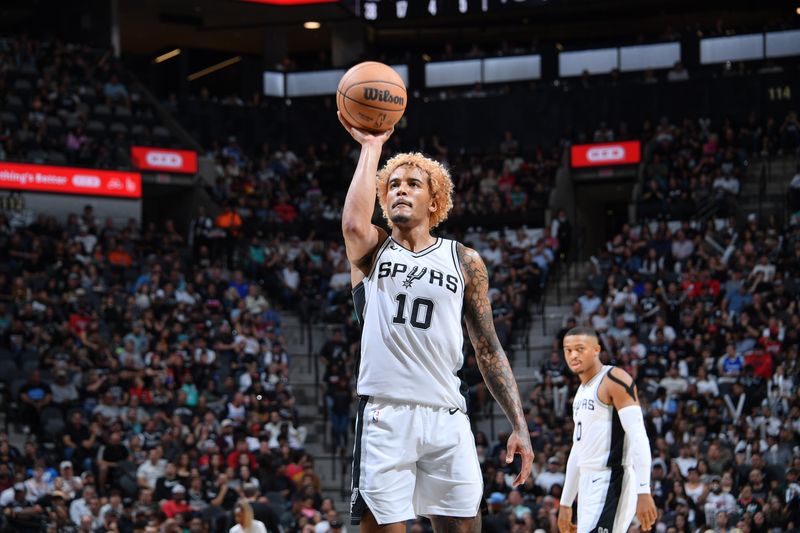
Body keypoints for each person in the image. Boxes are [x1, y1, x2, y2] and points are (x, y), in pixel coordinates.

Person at [338, 111, 533, 532]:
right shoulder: (373, 253)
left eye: (412, 184)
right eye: (392, 185)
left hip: (447, 414)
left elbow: (488, 347)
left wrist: (519, 425)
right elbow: (354, 222)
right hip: (385, 416)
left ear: (435, 200)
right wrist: (372, 148)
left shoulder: (464, 260)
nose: (400, 190)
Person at [557, 327, 657, 533]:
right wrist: (566, 503)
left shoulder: (615, 379)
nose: (573, 355)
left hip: (612, 480)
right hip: (588, 483)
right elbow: (578, 450)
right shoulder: (581, 391)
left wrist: (644, 490)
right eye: (568, 350)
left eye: (579, 349)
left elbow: (638, 436)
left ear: (596, 350)